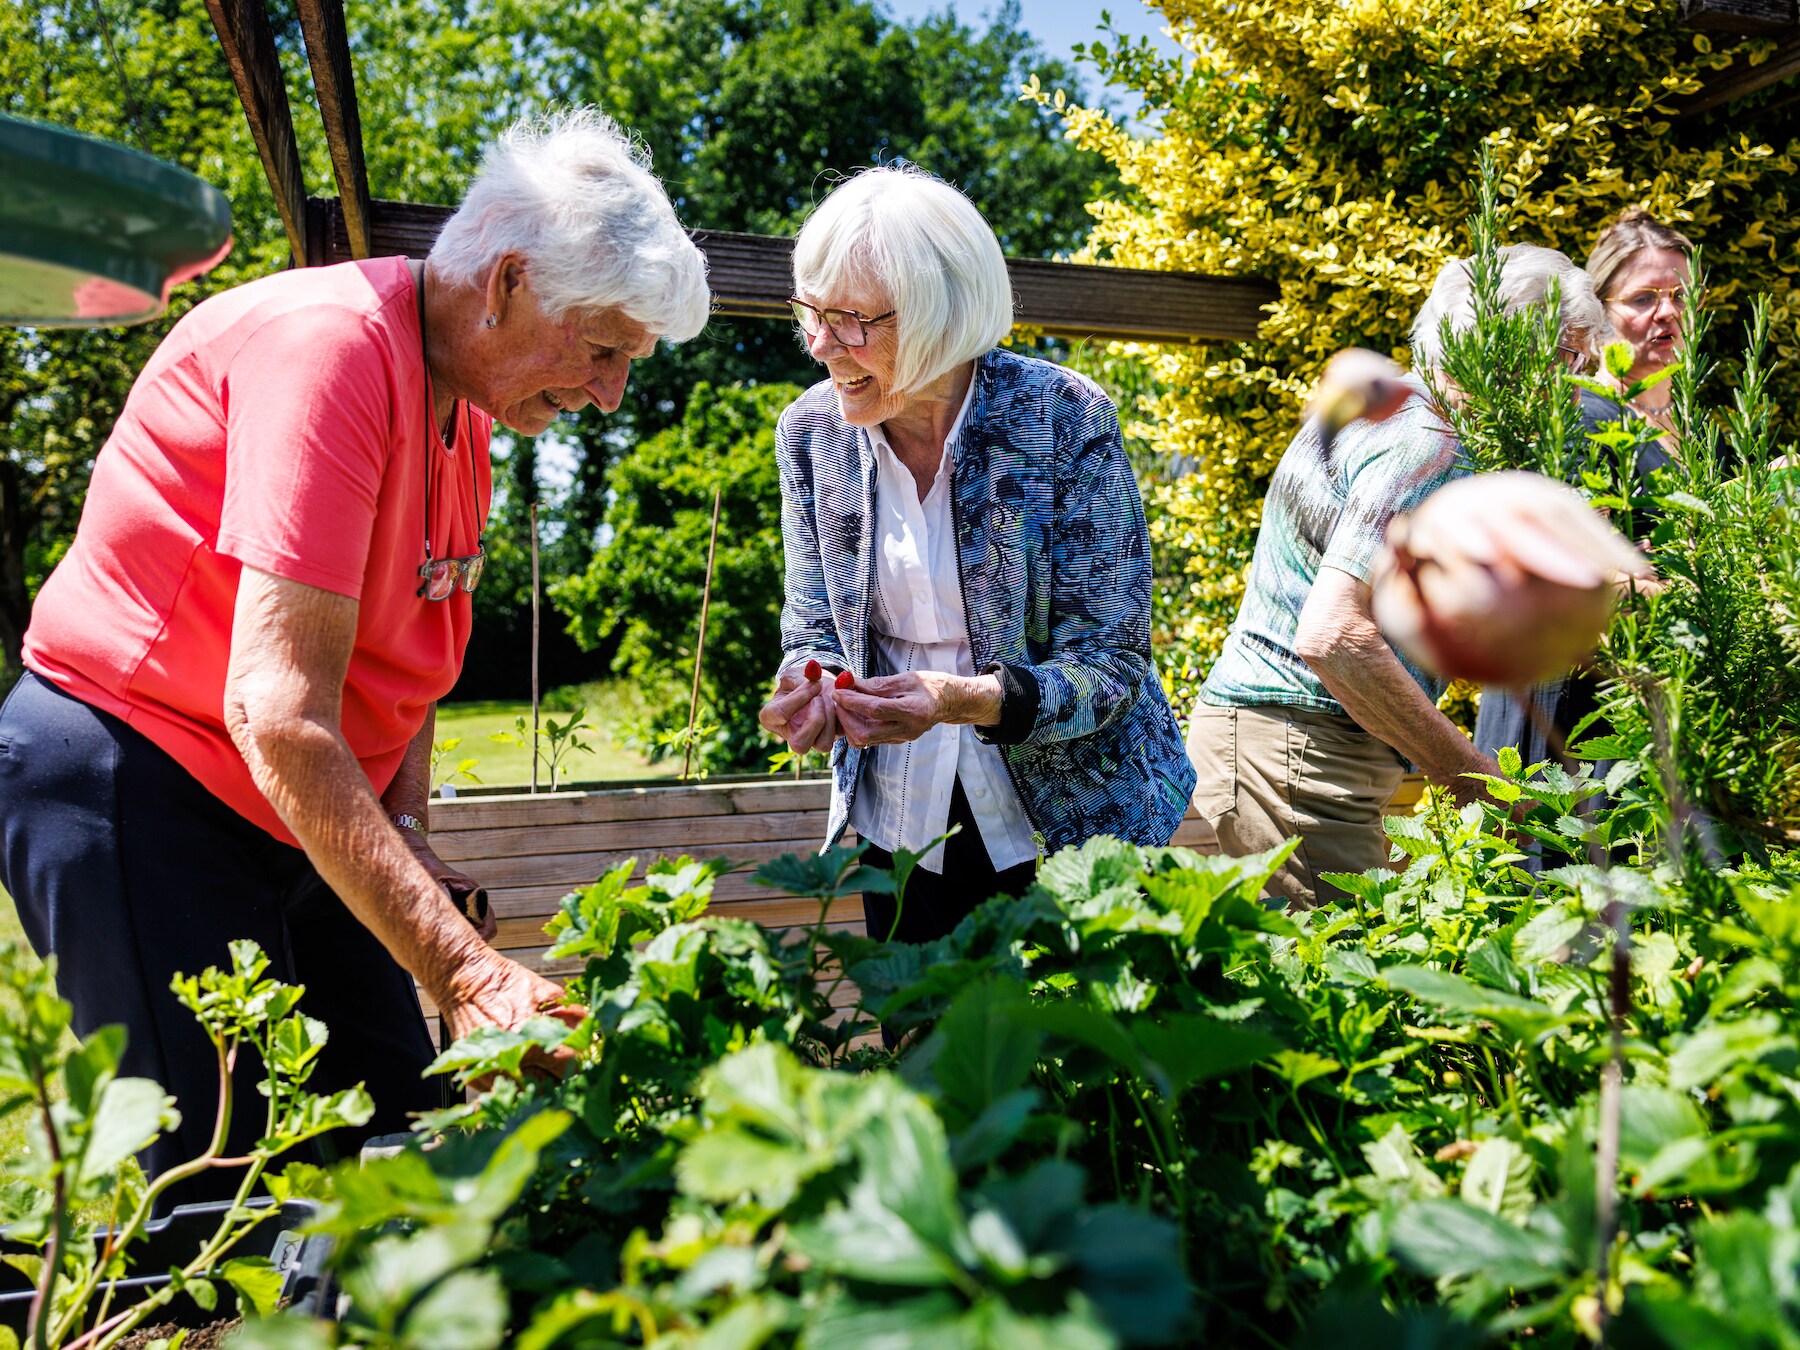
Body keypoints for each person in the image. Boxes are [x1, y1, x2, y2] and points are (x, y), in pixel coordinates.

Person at [0, 107, 709, 1197]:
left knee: (393, 1140)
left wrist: (412, 836)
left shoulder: (466, 400)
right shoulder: (329, 354)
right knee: (213, 1193)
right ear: (506, 282)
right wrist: (464, 967)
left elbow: (407, 652)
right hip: (132, 776)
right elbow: (279, 709)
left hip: (290, 796)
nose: (610, 391)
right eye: (606, 347)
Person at [757, 165, 1194, 945]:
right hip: (897, 826)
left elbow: (1113, 666)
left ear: (942, 315)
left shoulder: (1064, 418)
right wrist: (810, 687)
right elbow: (813, 626)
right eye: (811, 313)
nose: (821, 346)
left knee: (1072, 1055)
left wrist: (961, 699)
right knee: (921, 1053)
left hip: (1069, 824)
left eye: (854, 319)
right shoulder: (809, 432)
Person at [1187, 245, 1607, 908]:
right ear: (1510, 353)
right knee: (1333, 987)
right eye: (1572, 360)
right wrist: (1473, 776)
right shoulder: (1430, 443)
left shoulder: (1396, 412)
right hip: (1300, 748)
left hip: (1296, 742)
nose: (1578, 388)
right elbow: (1333, 635)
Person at [1474, 211, 1693, 785]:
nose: (1667, 312)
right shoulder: (1571, 417)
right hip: (1567, 720)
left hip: (1650, 724)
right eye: (1644, 297)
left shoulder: (1701, 439)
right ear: (1599, 313)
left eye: (1679, 295)